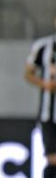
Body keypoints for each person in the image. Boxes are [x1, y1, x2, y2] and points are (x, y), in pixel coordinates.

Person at [24, 17, 56, 178]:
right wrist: (45, 84)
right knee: (52, 160)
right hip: (47, 113)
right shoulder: (43, 46)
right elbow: (28, 73)